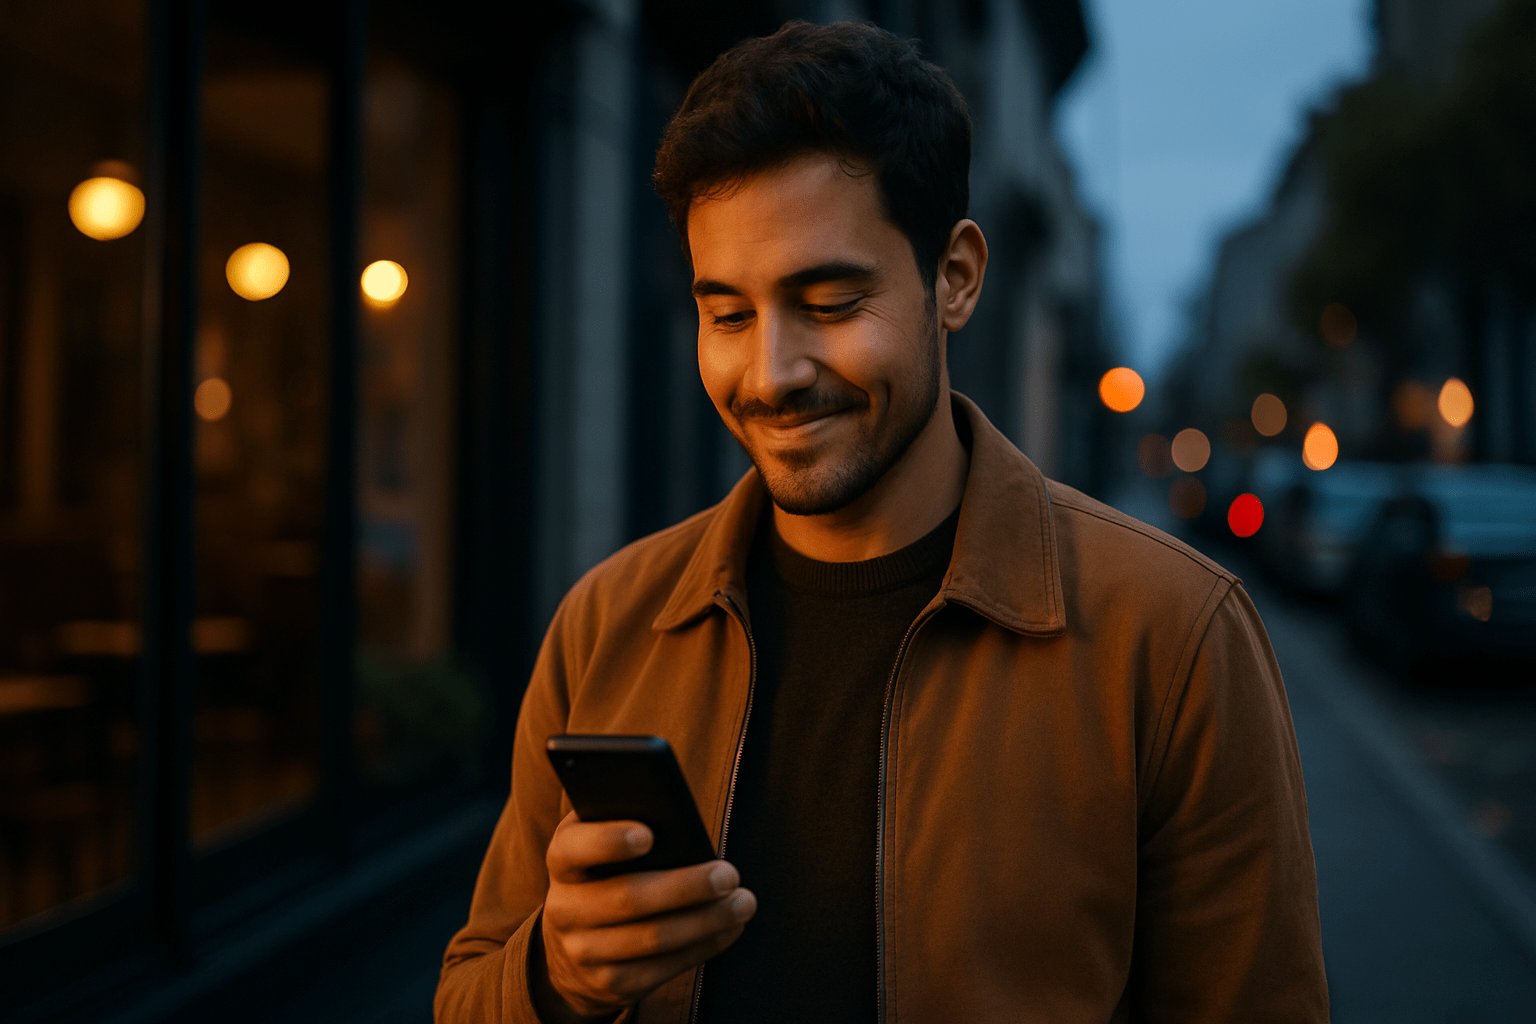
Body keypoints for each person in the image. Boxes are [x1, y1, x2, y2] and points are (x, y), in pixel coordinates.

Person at [436, 20, 1327, 1024]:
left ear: (955, 277)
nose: (770, 373)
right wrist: (558, 976)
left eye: (828, 300)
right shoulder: (607, 624)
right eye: (727, 313)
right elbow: (468, 989)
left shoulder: (1172, 638)